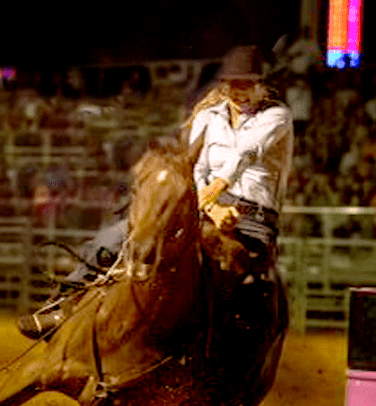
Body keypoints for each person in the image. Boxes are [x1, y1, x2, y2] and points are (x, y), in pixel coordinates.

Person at [18, 45, 293, 340]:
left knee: (242, 286)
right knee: (115, 238)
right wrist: (211, 206)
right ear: (224, 85)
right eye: (233, 84)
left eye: (246, 84)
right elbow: (196, 169)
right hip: (203, 206)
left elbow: (246, 153)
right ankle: (60, 306)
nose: (239, 91)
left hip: (253, 217)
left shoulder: (276, 116)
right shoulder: (209, 117)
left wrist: (216, 191)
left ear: (260, 85)